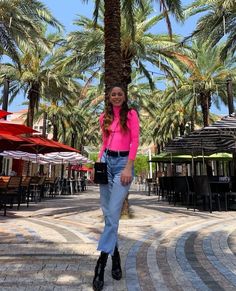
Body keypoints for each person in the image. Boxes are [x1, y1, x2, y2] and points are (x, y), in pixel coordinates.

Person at [92, 84, 140, 291]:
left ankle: (100, 265)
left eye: (120, 94)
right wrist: (97, 164)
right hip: (106, 163)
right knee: (109, 216)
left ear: (124, 96)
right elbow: (103, 143)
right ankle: (116, 256)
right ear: (109, 97)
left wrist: (129, 166)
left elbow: (135, 141)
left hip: (123, 165)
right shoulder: (104, 117)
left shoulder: (131, 114)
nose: (117, 96)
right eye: (114, 94)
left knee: (113, 212)